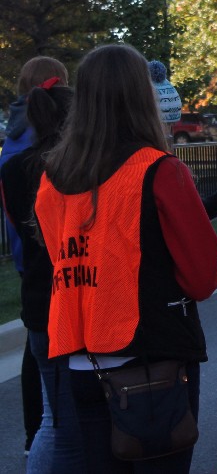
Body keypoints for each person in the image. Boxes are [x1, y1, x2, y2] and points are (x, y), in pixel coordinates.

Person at [34, 44, 217, 474]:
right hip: (150, 360)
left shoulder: (52, 178)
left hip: (81, 362)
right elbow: (202, 278)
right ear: (143, 96)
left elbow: (61, 261)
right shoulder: (160, 170)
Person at [1, 78, 86, 472]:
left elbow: (20, 234)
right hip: (75, 298)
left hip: (38, 299)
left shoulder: (13, 169)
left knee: (55, 420)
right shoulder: (77, 168)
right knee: (71, 428)